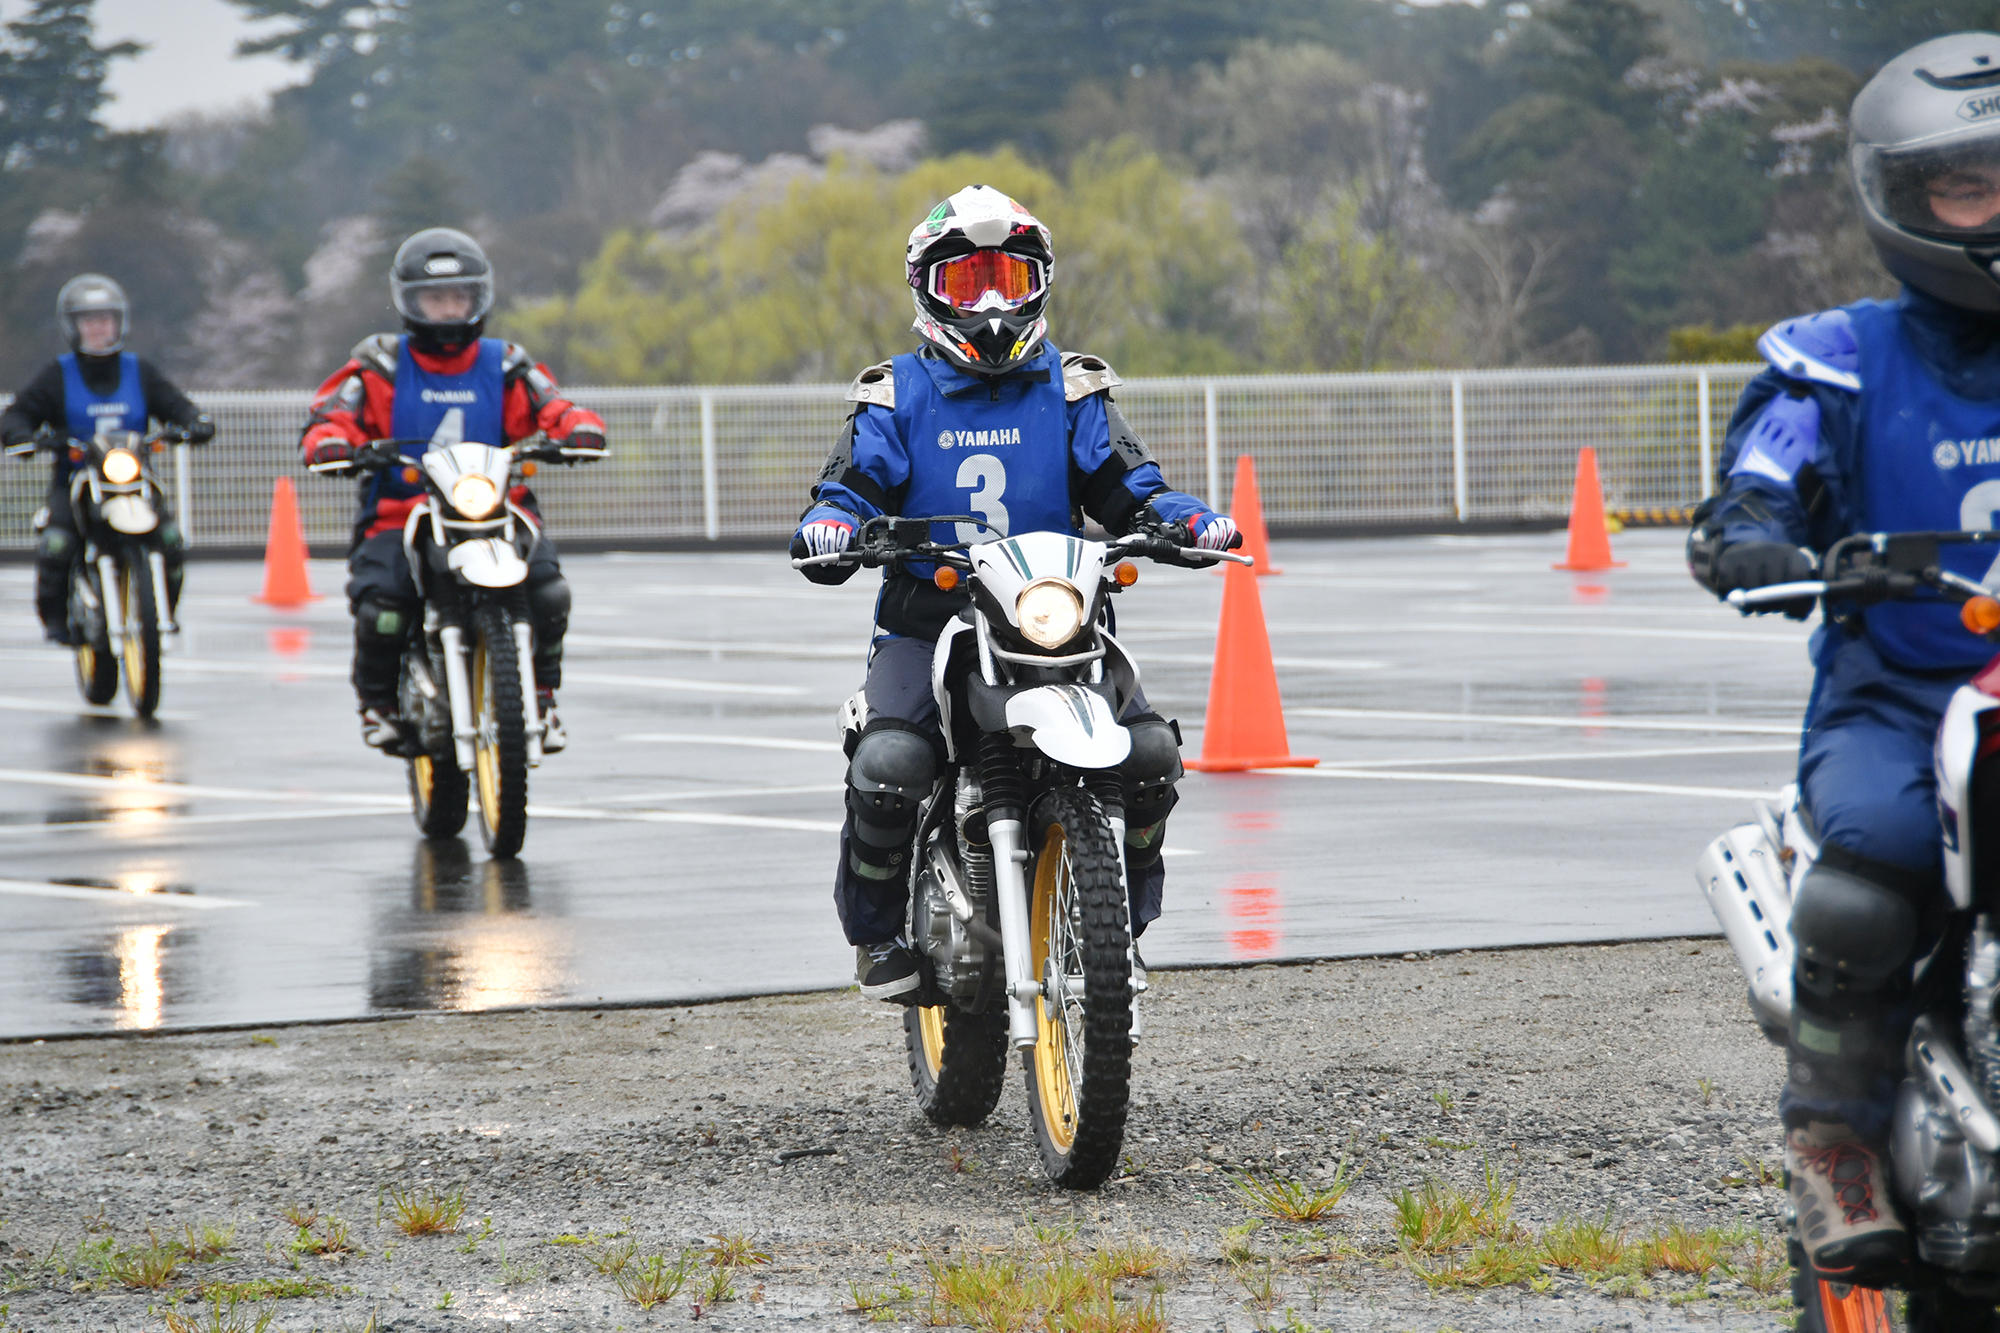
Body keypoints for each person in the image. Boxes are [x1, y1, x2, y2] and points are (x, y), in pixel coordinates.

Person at [1688, 31, 2000, 1288]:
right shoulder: (1838, 358)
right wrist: (1753, 534)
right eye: (1965, 185)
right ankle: (1831, 1139)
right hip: (1897, 701)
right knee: (1871, 867)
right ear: (1899, 195)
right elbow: (1764, 470)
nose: (1992, 210)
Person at [788, 184, 1240, 1002]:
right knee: (892, 763)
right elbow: (850, 488)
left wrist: (1187, 518)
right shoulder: (894, 396)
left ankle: (1119, 925)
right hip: (929, 622)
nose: (992, 304)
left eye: (1009, 277)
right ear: (928, 290)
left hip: (1055, 618)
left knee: (1149, 757)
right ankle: (877, 931)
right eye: (968, 283)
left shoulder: (1071, 389)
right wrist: (831, 523)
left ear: (1041, 281)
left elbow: (1129, 485)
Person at [299, 227, 606, 754]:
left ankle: (542, 695)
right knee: (385, 607)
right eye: (433, 298)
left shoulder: (505, 362)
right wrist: (331, 441)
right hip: (402, 512)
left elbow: (553, 404)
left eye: (456, 297)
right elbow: (334, 415)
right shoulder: (381, 364)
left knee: (549, 593)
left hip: (496, 510)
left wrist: (576, 426)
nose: (446, 310)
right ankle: (379, 705)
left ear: (477, 298)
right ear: (408, 301)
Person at [0, 274, 214, 643]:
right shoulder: (58, 374)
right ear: (73, 326)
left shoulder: (139, 371)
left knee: (171, 538)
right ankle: (56, 619)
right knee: (58, 542)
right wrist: (23, 436)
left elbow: (177, 406)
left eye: (105, 319)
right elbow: (18, 415)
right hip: (76, 478)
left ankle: (164, 609)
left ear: (119, 322)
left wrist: (194, 423)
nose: (98, 327)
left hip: (135, 478)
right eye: (89, 320)